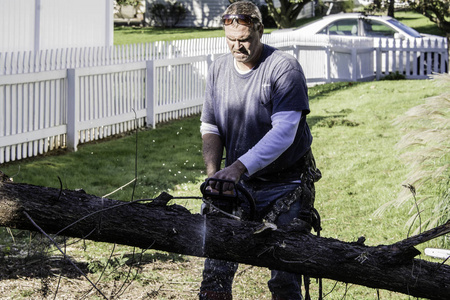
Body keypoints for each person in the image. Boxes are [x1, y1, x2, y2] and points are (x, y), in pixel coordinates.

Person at [199, 1, 321, 300]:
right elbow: (211, 127)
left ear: (259, 30)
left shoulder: (284, 68)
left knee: (284, 276)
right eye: (231, 41)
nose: (237, 47)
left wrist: (238, 167)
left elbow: (283, 133)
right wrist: (216, 177)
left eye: (244, 40)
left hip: (286, 184)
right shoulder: (218, 70)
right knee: (215, 270)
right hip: (238, 186)